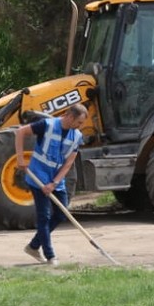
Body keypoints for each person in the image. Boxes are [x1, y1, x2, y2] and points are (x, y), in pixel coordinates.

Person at [14, 104, 89, 264]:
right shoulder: (47, 125)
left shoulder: (76, 136)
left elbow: (68, 164)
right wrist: (20, 158)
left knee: (61, 214)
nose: (80, 126)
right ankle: (50, 256)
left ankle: (33, 246)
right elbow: (20, 132)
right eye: (79, 122)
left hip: (56, 179)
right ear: (70, 116)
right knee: (44, 216)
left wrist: (54, 183)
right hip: (38, 176)